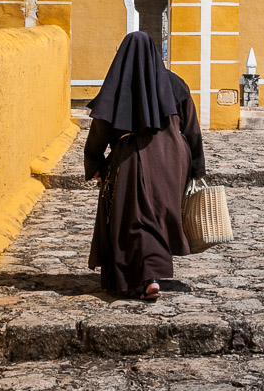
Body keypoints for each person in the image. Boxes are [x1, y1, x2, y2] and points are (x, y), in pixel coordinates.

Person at [84, 31, 206, 301]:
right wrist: (196, 167)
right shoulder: (176, 84)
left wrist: (94, 162)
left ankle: (147, 277)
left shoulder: (117, 84)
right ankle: (149, 273)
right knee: (159, 214)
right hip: (173, 159)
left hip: (132, 159)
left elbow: (99, 129)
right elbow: (192, 129)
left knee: (137, 218)